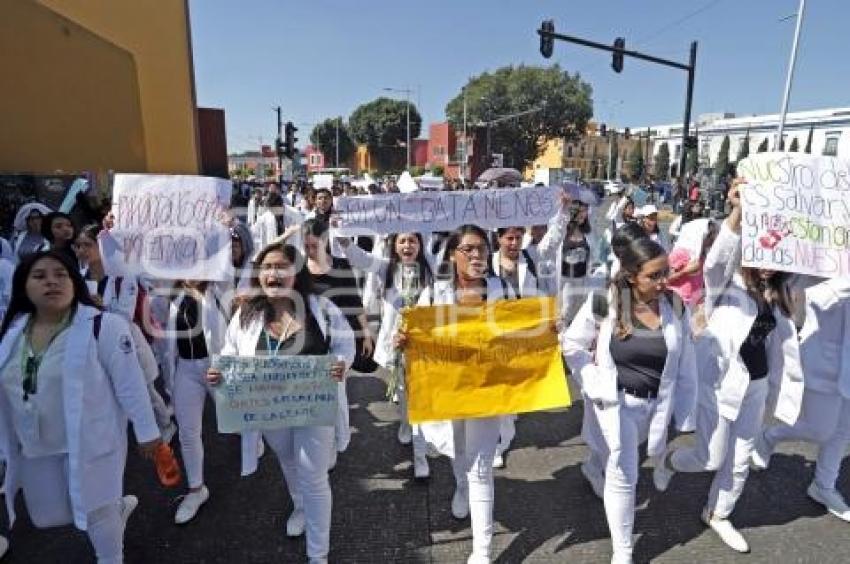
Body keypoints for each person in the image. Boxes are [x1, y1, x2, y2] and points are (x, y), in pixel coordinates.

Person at [653, 181, 803, 554]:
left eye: (776, 258)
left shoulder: (783, 292)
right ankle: (668, 460)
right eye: (762, 254)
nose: (768, 265)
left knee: (739, 459)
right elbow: (719, 257)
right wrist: (737, 211)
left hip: (758, 384)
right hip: (721, 383)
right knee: (711, 457)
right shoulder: (728, 284)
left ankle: (718, 513)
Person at [0, 250, 161, 563]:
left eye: (60, 274)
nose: (51, 281)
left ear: (75, 282)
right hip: (35, 445)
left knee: (96, 514)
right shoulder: (12, 334)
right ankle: (116, 508)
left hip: (93, 442)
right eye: (40, 276)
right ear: (23, 287)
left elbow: (130, 382)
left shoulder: (104, 326)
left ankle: (111, 551)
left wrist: (147, 431)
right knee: (52, 515)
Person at [207, 242, 353, 564]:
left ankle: (318, 555)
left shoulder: (321, 308)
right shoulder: (245, 315)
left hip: (314, 407)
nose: (273, 273)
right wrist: (221, 375)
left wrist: (341, 363)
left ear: (296, 273)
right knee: (288, 461)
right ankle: (299, 505)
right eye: (266, 268)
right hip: (269, 409)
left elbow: (345, 343)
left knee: (313, 475)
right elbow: (230, 354)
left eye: (280, 267)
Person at [560, 237, 697, 564]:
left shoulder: (675, 305)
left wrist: (685, 414)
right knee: (625, 474)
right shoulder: (603, 301)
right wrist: (592, 381)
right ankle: (623, 551)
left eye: (666, 272)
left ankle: (593, 466)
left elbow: (687, 362)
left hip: (657, 407)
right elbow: (572, 346)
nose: (665, 281)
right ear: (633, 275)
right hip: (616, 403)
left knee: (620, 457)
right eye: (655, 275)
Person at [396, 224, 515, 564]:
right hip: (449, 390)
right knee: (458, 450)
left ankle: (483, 551)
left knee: (481, 467)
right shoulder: (434, 294)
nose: (477, 255)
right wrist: (404, 341)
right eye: (469, 249)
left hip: (487, 391)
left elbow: (521, 333)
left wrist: (545, 329)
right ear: (452, 255)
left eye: (481, 249)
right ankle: (460, 486)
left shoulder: (501, 290)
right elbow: (414, 335)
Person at [336, 231, 434, 478]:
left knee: (419, 402)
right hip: (395, 348)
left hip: (424, 348)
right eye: (402, 241)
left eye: (413, 240)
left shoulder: (431, 270)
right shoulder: (386, 269)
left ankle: (420, 457)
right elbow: (361, 258)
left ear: (421, 245)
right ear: (394, 246)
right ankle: (404, 422)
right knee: (403, 398)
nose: (407, 245)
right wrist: (343, 236)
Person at [750, 278, 850, 521]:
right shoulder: (820, 259)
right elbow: (813, 299)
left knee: (843, 431)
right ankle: (769, 436)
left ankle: (823, 486)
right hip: (825, 361)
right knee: (819, 430)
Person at [74, 225, 175, 442]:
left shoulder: (122, 277)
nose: (82, 250)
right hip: (95, 344)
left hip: (126, 342)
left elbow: (124, 317)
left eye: (87, 245)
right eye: (78, 245)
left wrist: (100, 307)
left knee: (145, 390)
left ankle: (165, 424)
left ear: (102, 247)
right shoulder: (79, 279)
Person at [161, 278, 230, 524]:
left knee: (236, 417)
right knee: (188, 433)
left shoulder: (222, 291)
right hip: (186, 370)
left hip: (218, 368)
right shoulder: (175, 298)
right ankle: (196, 489)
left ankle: (253, 440)